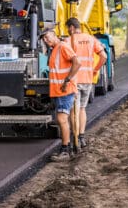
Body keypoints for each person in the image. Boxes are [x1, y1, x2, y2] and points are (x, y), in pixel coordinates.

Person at [64, 17, 107, 148]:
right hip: (88, 80)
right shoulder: (91, 39)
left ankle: (75, 137)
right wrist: (95, 70)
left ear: (71, 27)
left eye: (68, 28)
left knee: (73, 110)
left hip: (74, 80)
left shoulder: (68, 41)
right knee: (82, 108)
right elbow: (104, 56)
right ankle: (82, 137)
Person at [40, 27, 81, 161]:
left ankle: (65, 150)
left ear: (53, 34)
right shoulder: (55, 49)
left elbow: (77, 63)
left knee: (62, 119)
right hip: (59, 91)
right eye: (44, 39)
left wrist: (67, 80)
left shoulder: (63, 46)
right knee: (64, 119)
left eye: (47, 37)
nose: (46, 40)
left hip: (65, 90)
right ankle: (71, 146)